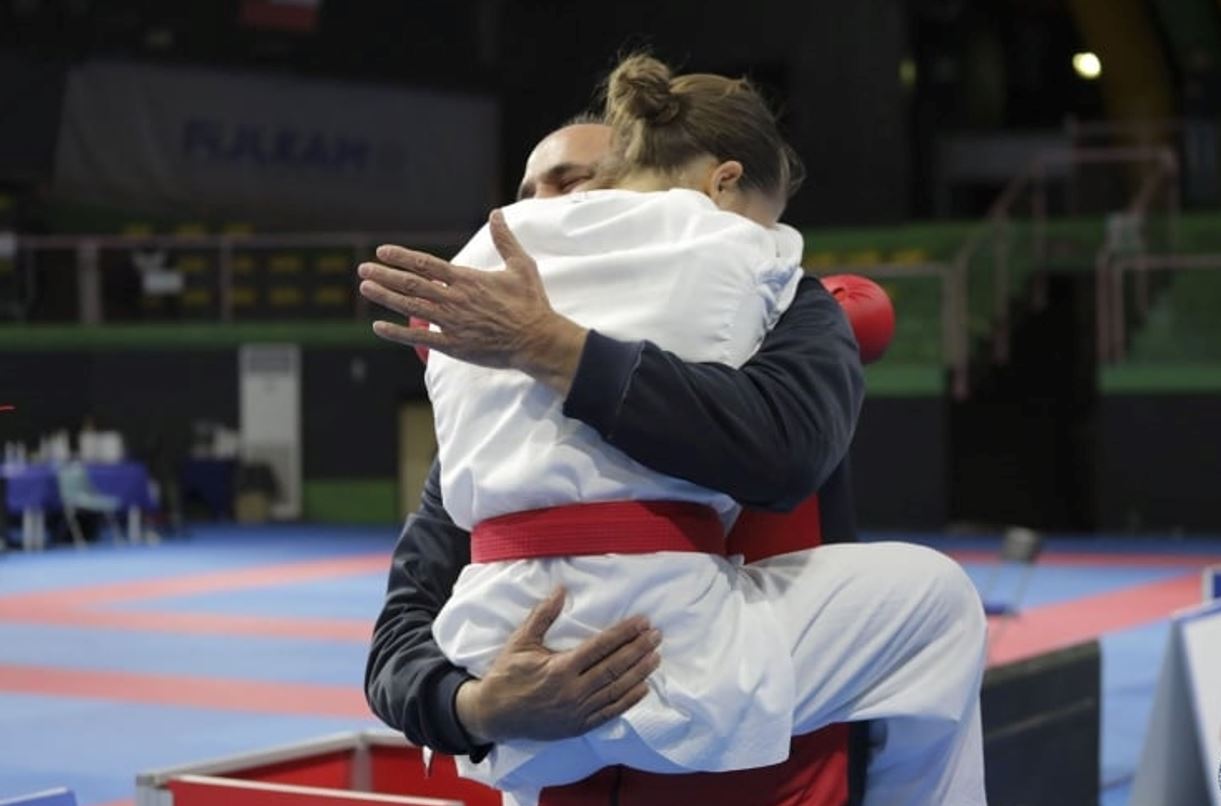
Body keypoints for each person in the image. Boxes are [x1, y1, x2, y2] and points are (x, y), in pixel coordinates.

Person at [363, 55, 986, 806]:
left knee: (937, 605)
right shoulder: (489, 423)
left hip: (725, 733)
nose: (545, 212)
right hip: (598, 708)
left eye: (575, 183)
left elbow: (785, 451)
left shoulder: (782, 311)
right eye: (526, 198)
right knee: (937, 603)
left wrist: (554, 347)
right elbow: (400, 632)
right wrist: (476, 709)